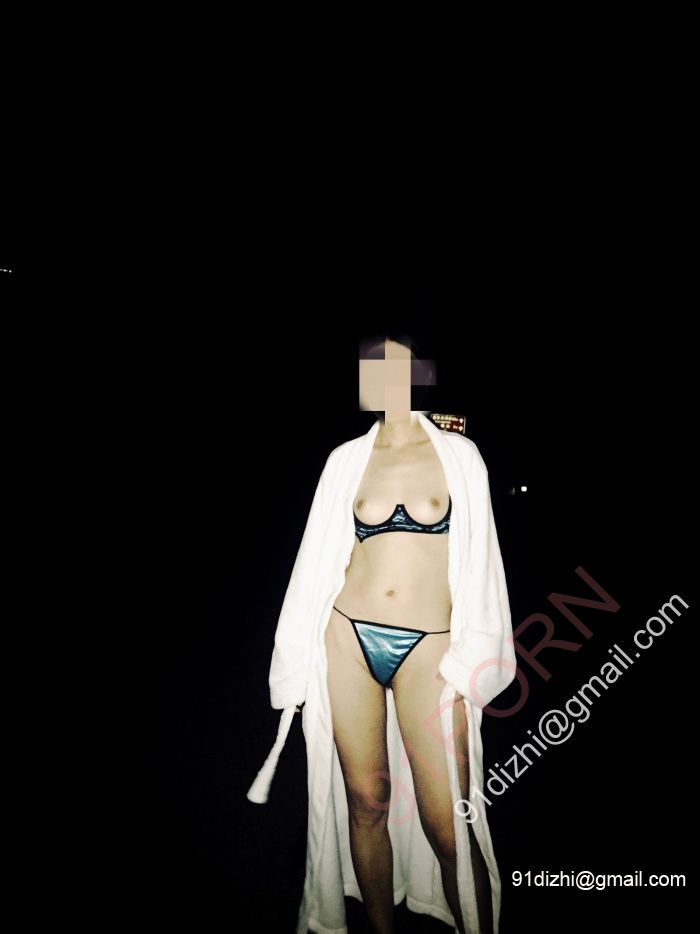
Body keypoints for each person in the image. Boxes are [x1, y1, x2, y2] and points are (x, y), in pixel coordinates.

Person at [247, 333, 516, 934]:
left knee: (448, 823)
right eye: (374, 368)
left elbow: (484, 564)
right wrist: (294, 657)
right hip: (348, 639)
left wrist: (476, 656)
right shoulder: (345, 459)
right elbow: (315, 559)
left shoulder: (459, 455)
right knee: (366, 803)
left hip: (431, 650)